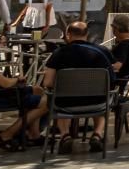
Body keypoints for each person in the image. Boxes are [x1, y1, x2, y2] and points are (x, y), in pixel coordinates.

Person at [30, 19, 117, 153]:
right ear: (87, 34)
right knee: (102, 95)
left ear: (68, 34)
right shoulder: (101, 52)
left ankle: (65, 135)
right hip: (97, 103)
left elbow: (47, 83)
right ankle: (97, 135)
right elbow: (111, 81)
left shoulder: (59, 53)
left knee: (57, 96)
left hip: (65, 104)